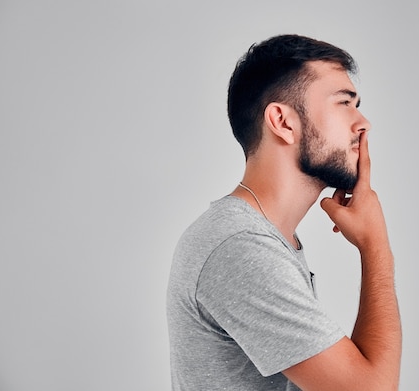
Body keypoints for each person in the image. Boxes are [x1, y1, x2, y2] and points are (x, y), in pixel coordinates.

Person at [166, 34, 401, 391]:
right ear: (283, 122)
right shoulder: (241, 247)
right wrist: (376, 248)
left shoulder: (260, 238)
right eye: (344, 103)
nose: (363, 123)